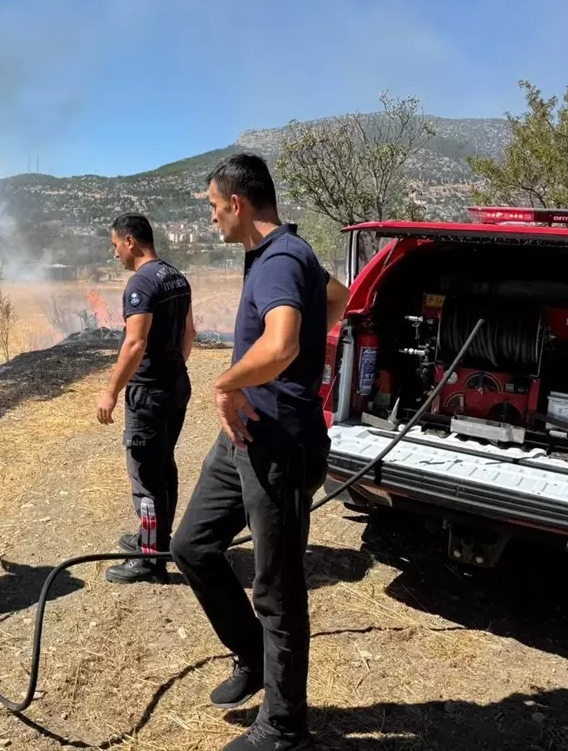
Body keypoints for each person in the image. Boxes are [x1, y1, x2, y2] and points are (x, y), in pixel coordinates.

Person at [169, 155, 350, 751]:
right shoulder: (287, 255)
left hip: (278, 446)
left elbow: (280, 343)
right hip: (245, 436)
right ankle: (251, 656)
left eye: (215, 207)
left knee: (276, 588)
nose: (213, 218)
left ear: (238, 203)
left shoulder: (278, 260)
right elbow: (338, 297)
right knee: (192, 544)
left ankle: (284, 728)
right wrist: (282, 377)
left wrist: (230, 384)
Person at [95, 213, 195, 584]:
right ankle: (154, 539)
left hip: (149, 393)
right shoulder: (176, 277)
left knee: (146, 475)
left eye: (116, 245)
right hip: (175, 385)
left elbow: (135, 343)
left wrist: (111, 391)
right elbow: (189, 333)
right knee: (163, 465)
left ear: (131, 241)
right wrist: (171, 370)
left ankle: (149, 560)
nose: (116, 253)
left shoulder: (140, 284)